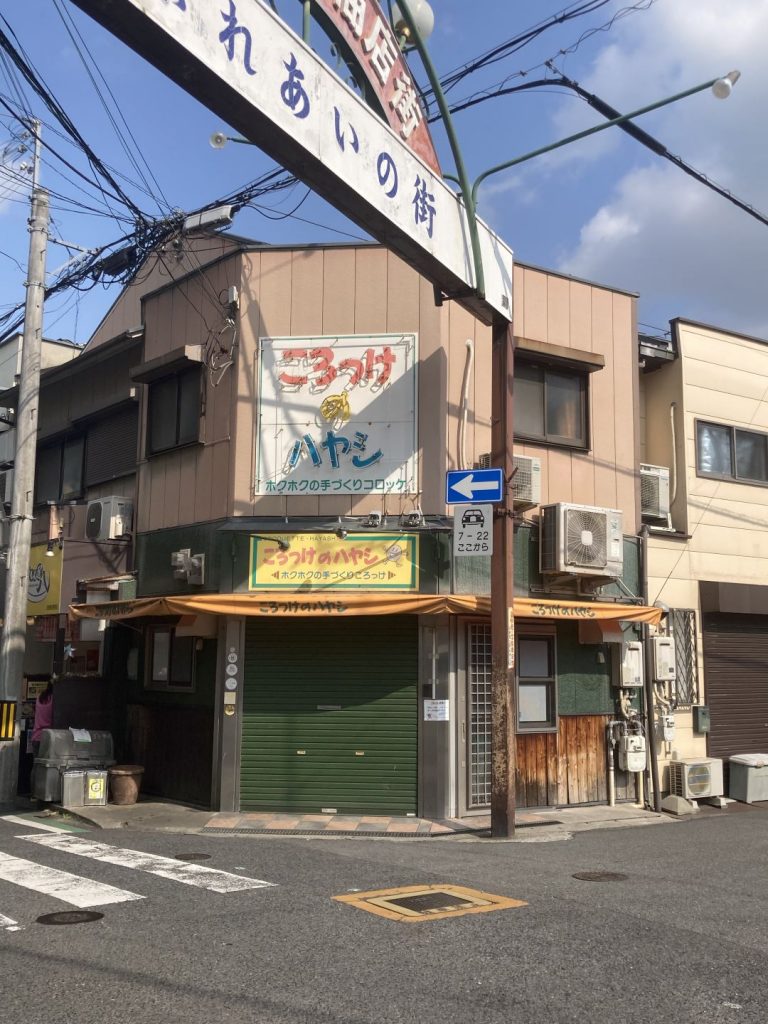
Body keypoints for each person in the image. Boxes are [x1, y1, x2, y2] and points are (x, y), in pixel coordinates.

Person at [31, 681, 54, 757]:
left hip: (36, 737)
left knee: (36, 765)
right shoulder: (54, 700)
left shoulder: (39, 698)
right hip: (48, 737)